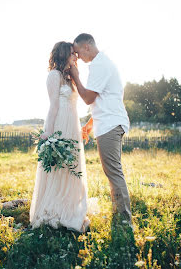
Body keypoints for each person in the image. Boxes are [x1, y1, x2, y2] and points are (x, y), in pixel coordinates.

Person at [69, 33, 133, 226]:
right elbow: (102, 101)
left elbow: (89, 98)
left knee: (113, 172)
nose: (78, 57)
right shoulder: (102, 63)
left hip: (110, 125)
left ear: (87, 46)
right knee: (112, 171)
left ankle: (124, 221)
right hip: (109, 122)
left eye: (78, 52)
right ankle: (120, 216)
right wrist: (89, 126)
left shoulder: (99, 65)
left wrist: (75, 76)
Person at [29, 41, 90, 233]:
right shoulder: (54, 76)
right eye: (72, 53)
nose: (76, 56)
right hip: (60, 124)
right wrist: (48, 132)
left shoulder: (70, 77)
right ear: (64, 54)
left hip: (73, 124)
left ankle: (70, 207)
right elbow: (53, 105)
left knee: (72, 166)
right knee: (59, 166)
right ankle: (54, 209)